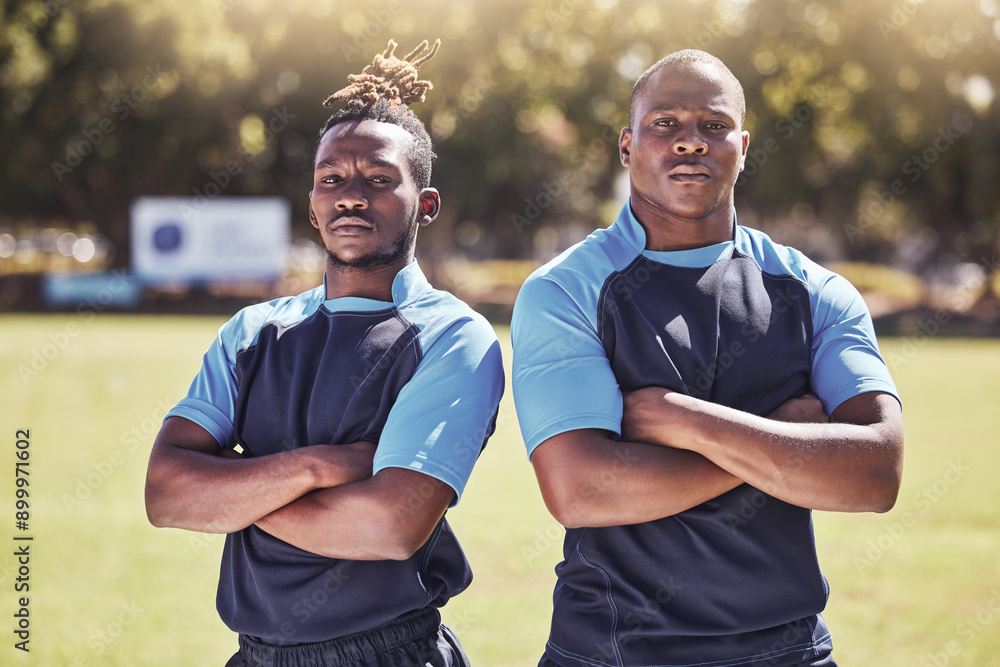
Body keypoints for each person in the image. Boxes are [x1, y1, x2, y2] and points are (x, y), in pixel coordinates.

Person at [511, 49, 904, 667]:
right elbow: (581, 489)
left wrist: (686, 422)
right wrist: (789, 439)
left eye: (713, 126)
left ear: (742, 146)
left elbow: (876, 473)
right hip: (612, 651)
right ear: (626, 145)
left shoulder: (814, 291)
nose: (690, 142)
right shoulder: (564, 290)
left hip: (789, 651)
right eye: (665, 123)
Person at [144, 39, 504, 667]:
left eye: (379, 180)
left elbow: (389, 528)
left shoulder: (454, 337)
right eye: (331, 180)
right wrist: (313, 467)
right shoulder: (252, 331)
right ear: (312, 208)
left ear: (426, 205)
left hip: (390, 654)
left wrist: (238, 494)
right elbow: (167, 496)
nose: (350, 196)